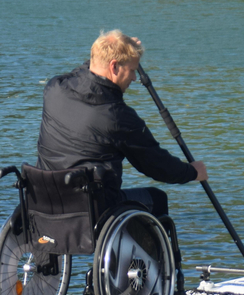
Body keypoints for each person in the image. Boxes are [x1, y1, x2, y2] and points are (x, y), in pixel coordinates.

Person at [36, 30, 207, 218]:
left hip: (44, 202)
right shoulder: (117, 117)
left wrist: (117, 48)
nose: (135, 78)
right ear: (114, 67)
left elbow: (87, 71)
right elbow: (156, 165)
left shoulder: (54, 88)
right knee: (157, 199)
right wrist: (191, 172)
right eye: (132, 70)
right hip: (92, 211)